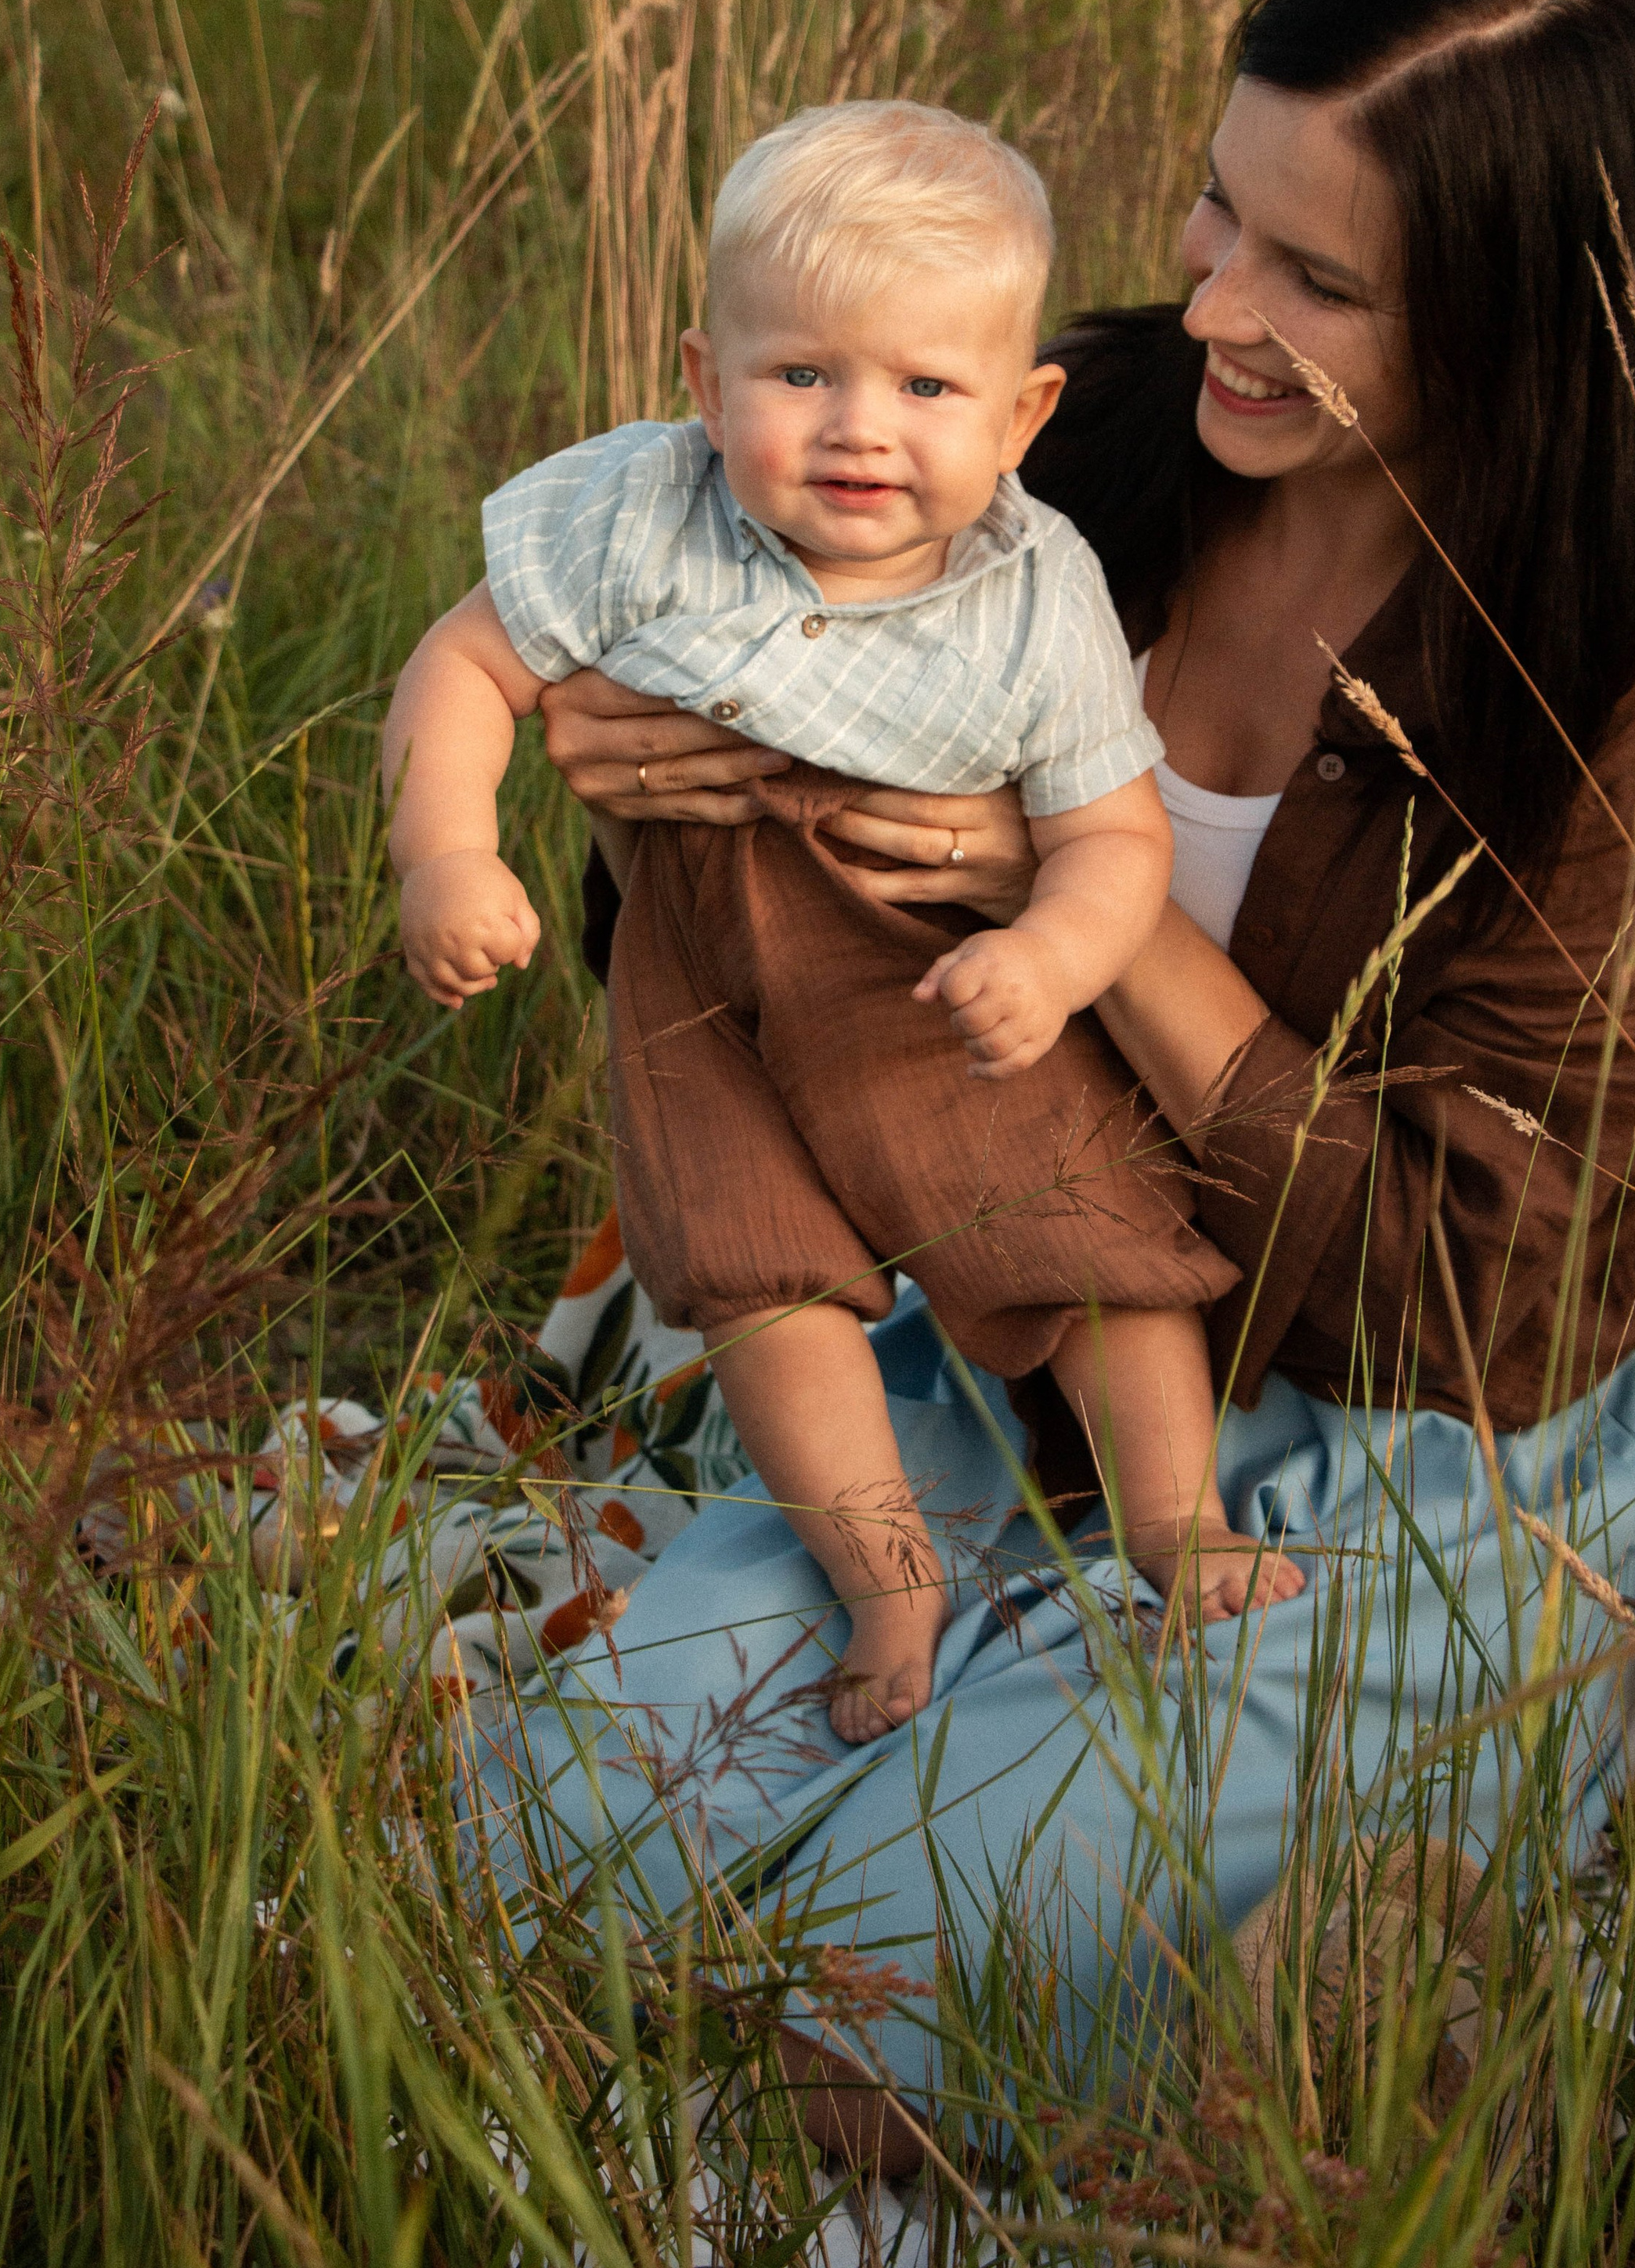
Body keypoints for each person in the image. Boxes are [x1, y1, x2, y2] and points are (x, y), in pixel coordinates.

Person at [467, 0, 1635, 2172]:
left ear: (1526, 329)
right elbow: (754, 971)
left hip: (1396, 1478)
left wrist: (1074, 909)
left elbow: (1475, 1304)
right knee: (567, 1844)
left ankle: (1422, 1925)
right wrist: (657, 778)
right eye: (1218, 209)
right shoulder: (1085, 454)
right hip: (1003, 1354)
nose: (1211, 306)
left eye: (1319, 279)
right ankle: (1155, 1912)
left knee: (901, 1980)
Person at [383, 101, 1294, 1748]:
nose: (859, 428)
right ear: (703, 377)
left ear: (1022, 414)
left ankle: (1179, 1522)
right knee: (761, 1287)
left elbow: (1111, 834)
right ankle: (886, 1583)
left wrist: (1050, 955)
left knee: (1080, 1233)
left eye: (926, 388)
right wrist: (446, 851)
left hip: (927, 975)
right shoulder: (642, 514)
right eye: (801, 374)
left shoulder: (1031, 589)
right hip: (700, 991)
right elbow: (464, 663)